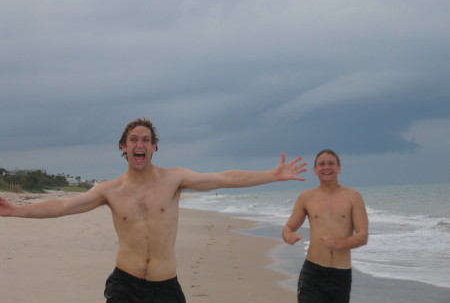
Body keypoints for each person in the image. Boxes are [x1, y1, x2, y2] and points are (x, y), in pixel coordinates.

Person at [0, 117, 308, 303]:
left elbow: (224, 178)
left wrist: (271, 175)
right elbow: (63, 206)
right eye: (133, 139)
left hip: (165, 286)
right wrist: (15, 210)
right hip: (125, 284)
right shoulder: (110, 190)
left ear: (154, 147)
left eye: (146, 139)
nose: (140, 143)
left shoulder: (174, 179)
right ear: (123, 147)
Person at [282, 149, 368, 303]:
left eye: (331, 163)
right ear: (315, 170)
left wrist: (339, 244)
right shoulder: (306, 197)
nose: (326, 167)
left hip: (341, 274)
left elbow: (362, 236)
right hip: (313, 271)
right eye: (321, 164)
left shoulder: (353, 197)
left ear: (339, 168)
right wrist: (288, 235)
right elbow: (289, 227)